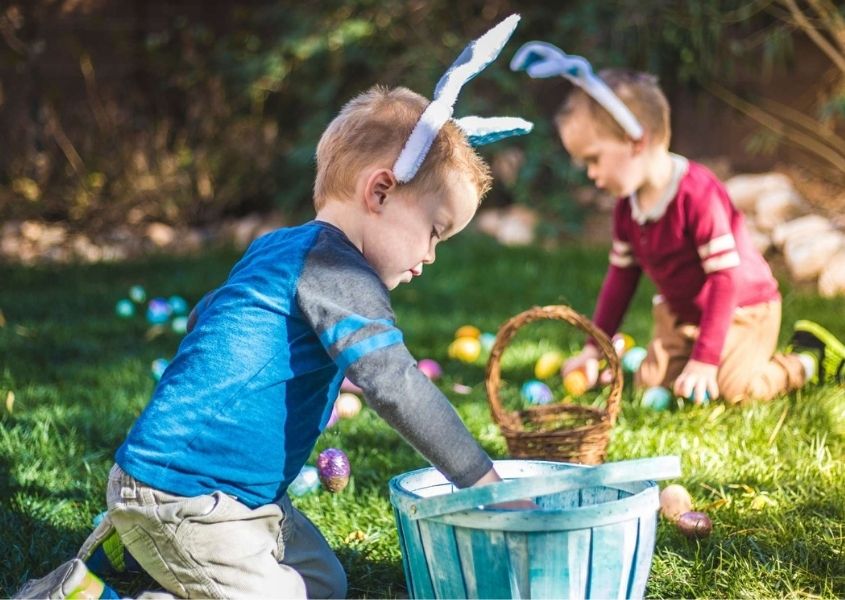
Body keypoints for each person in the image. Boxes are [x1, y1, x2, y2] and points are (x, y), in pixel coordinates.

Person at [14, 84, 537, 600]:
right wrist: (483, 482)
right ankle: (75, 592)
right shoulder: (341, 272)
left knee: (326, 585)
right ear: (379, 191)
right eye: (435, 231)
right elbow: (396, 383)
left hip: (242, 498)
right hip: (184, 494)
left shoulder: (282, 247)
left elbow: (209, 315)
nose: (430, 257)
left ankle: (137, 549)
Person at [556, 68, 845, 404]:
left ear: (637, 142)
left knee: (734, 390)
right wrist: (595, 348)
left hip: (743, 308)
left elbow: (725, 279)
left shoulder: (697, 193)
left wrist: (705, 361)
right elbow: (621, 279)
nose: (591, 173)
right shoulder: (627, 208)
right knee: (651, 386)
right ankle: (689, 355)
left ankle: (807, 359)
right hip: (682, 315)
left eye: (594, 159)